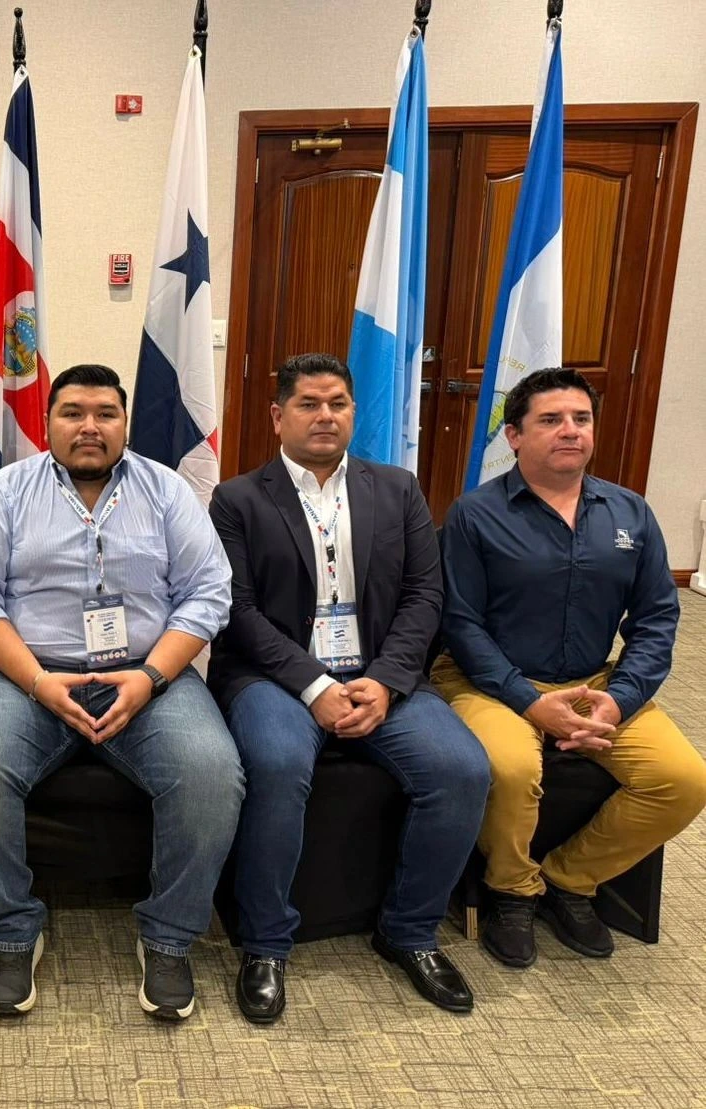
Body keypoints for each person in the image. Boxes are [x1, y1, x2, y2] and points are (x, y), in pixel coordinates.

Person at [0, 363, 243, 1021]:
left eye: (105, 413)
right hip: (26, 675)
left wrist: (151, 676)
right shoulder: (4, 492)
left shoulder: (166, 491)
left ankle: (168, 937)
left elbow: (207, 592)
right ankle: (13, 930)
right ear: (47, 421)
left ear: (124, 424)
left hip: (146, 674)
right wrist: (36, 680)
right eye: (72, 412)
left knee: (211, 770)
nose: (89, 426)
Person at [208, 353, 490, 1022]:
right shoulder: (237, 499)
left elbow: (424, 595)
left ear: (354, 413)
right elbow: (235, 610)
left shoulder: (396, 489)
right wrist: (313, 685)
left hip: (380, 672)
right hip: (274, 676)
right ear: (277, 416)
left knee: (463, 769)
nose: (325, 415)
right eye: (308, 403)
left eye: (337, 403)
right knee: (277, 762)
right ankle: (266, 942)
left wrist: (385, 682)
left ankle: (409, 931)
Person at [434, 367, 706, 968]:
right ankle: (512, 891)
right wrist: (530, 702)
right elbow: (461, 625)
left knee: (684, 780)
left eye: (581, 419)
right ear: (514, 436)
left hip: (593, 683)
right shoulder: (475, 515)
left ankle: (568, 880)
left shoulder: (631, 513)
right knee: (509, 768)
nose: (570, 431)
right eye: (551, 420)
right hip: (490, 682)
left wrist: (620, 698)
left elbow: (657, 617)